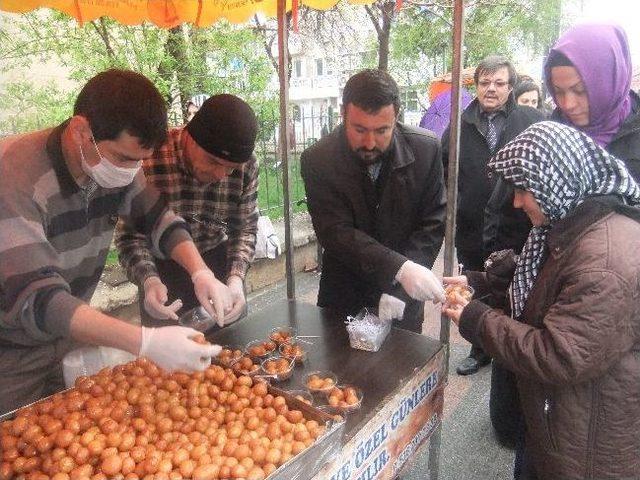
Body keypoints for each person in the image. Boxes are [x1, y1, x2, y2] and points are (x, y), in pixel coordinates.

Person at [0, 70, 231, 414]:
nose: (131, 170)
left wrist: (201, 273)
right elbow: (39, 299)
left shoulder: (109, 163)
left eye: (140, 161)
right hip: (11, 352)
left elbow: (159, 220)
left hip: (69, 335)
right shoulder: (13, 179)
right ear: (81, 131)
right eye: (125, 159)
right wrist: (144, 341)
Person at [444, 121, 640, 480]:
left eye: (523, 190)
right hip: (555, 424)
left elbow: (558, 354)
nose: (516, 202)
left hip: (585, 449)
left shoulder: (603, 261)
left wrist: (477, 319)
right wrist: (480, 285)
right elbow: (546, 292)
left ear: (558, 181)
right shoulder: (570, 227)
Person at [482, 21, 640, 456]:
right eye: (559, 91)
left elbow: (564, 352)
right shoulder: (555, 127)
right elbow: (532, 228)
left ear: (610, 78)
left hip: (605, 325)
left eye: (581, 90)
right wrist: (505, 276)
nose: (570, 104)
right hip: (551, 304)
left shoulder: (634, 146)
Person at [301, 69, 447, 333]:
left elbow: (433, 222)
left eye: (382, 130)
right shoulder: (318, 159)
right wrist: (399, 269)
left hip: (405, 297)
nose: (369, 143)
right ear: (343, 114)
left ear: (397, 118)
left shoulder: (426, 149)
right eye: (359, 130)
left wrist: (403, 283)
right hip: (344, 294)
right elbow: (335, 232)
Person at [116, 94, 259, 329]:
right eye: (213, 161)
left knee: (231, 354)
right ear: (190, 136)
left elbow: (245, 227)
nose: (219, 175)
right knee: (166, 362)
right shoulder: (150, 157)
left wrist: (235, 279)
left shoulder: (248, 165)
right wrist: (149, 281)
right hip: (162, 273)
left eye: (231, 169)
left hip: (217, 265)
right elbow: (130, 237)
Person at [442, 55, 544, 376]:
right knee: (476, 285)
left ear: (510, 87)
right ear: (476, 86)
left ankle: (516, 347)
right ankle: (479, 346)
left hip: (517, 224)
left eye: (499, 83)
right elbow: (444, 170)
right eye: (485, 82)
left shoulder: (529, 119)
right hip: (472, 227)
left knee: (517, 287)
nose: (491, 89)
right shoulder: (460, 125)